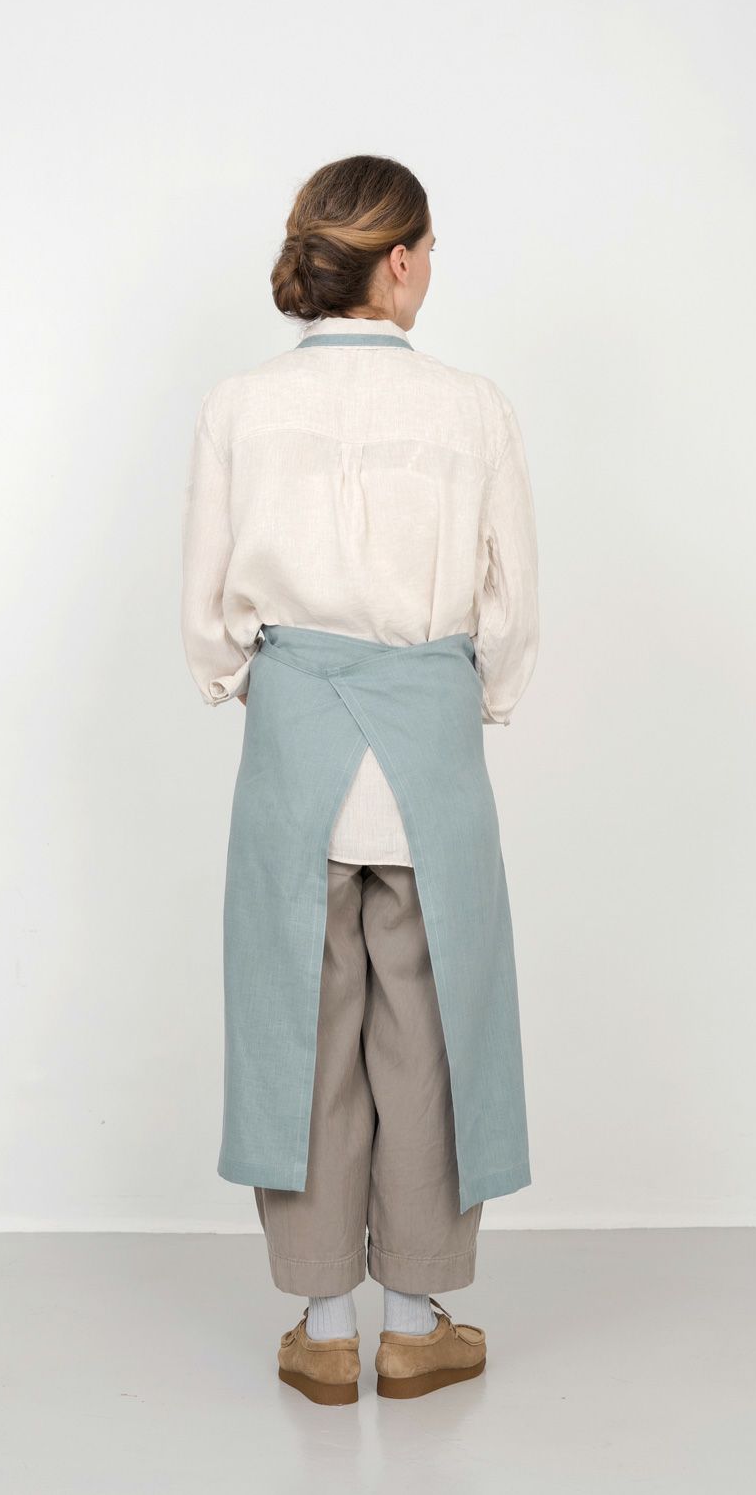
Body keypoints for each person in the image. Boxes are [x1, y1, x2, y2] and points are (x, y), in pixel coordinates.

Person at [181, 154, 539, 1404]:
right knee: (428, 1032)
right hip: (427, 747)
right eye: (426, 249)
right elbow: (511, 607)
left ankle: (323, 1326)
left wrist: (262, 681)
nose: (430, 269)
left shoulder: (239, 405)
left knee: (301, 1027)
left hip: (295, 751)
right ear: (397, 259)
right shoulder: (472, 407)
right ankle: (416, 1319)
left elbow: (208, 619)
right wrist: (470, 698)